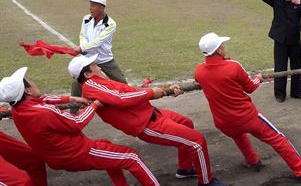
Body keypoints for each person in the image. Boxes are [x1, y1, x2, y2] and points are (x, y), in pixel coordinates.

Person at [69, 54, 227, 186]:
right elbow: (121, 98)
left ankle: (184, 169)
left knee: (186, 123)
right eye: (94, 65)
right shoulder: (92, 86)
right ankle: (206, 182)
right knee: (197, 142)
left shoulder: (100, 82)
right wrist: (152, 93)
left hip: (151, 113)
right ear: (87, 74)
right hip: (147, 123)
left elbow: (130, 91)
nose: (99, 66)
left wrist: (166, 91)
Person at [0, 67, 160, 186]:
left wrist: (71, 98)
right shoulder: (43, 112)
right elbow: (77, 122)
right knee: (131, 157)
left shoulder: (18, 109)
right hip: (78, 153)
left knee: (108, 148)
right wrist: (95, 104)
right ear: (27, 90)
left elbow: (43, 98)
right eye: (30, 82)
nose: (34, 83)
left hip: (59, 156)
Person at [195, 32, 301, 183]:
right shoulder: (233, 66)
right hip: (247, 117)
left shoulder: (199, 70)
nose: (224, 47)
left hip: (223, 122)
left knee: (239, 136)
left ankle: (252, 161)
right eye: (222, 46)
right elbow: (250, 87)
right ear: (218, 50)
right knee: (278, 139)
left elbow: (206, 77)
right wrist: (258, 78)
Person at [260, 0, 301, 102]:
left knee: (296, 66)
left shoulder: (299, 1)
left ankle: (296, 92)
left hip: (295, 40)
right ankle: (280, 94)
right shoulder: (277, 0)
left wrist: (300, 3)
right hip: (280, 40)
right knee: (280, 67)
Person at [71, 0, 127, 103]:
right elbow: (82, 35)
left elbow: (99, 41)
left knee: (122, 82)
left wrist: (83, 47)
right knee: (76, 83)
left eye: (93, 6)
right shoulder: (86, 18)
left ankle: (129, 103)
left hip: (104, 58)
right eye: (90, 5)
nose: (90, 8)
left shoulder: (110, 24)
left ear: (101, 8)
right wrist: (83, 48)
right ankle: (73, 110)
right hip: (88, 59)